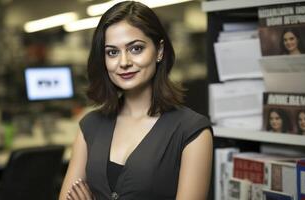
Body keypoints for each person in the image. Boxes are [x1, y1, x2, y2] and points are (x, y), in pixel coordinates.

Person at [59, 1, 213, 200]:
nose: (124, 62)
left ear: (159, 51)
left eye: (136, 49)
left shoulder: (192, 131)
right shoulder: (89, 126)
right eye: (112, 52)